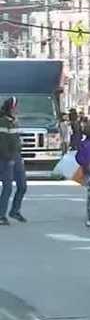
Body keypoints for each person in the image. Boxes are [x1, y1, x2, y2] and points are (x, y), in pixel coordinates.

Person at [0, 97, 27, 226]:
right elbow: (2, 143)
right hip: (6, 159)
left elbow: (16, 140)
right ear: (11, 108)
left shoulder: (14, 121)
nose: (18, 109)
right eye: (16, 107)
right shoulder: (2, 122)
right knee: (8, 187)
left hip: (17, 157)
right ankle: (1, 215)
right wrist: (8, 158)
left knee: (22, 186)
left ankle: (15, 211)